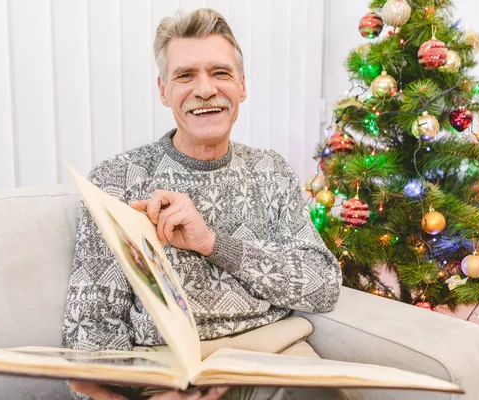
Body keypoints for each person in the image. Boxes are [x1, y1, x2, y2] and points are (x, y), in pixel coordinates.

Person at [62, 8, 342, 400]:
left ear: (242, 86)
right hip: (169, 374)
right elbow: (89, 334)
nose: (206, 89)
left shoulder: (270, 170)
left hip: (276, 360)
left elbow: (323, 287)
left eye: (220, 73)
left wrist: (212, 243)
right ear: (163, 90)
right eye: (185, 75)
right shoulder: (118, 180)